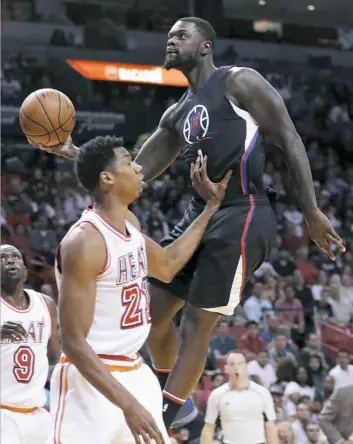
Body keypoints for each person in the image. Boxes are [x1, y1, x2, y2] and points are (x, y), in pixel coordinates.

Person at [31, 16, 345, 428]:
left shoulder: (239, 82)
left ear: (205, 46)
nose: (171, 40)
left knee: (198, 320)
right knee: (152, 315)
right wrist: (76, 153)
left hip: (245, 210)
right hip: (202, 210)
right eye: (168, 36)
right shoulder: (177, 113)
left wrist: (311, 209)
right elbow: (134, 171)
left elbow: (289, 136)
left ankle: (165, 414)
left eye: (181, 35)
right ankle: (178, 400)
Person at [50, 136, 231, 444]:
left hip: (135, 370)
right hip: (91, 380)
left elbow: (168, 264)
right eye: (128, 162)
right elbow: (73, 343)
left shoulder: (129, 224)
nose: (139, 169)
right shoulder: (84, 242)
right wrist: (128, 406)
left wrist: (211, 207)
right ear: (107, 178)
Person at [0, 244, 60, 444]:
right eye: (2, 258)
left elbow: (53, 357)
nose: (10, 260)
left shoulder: (45, 304)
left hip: (37, 414)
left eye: (16, 257)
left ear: (26, 272)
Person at [200, 352, 278, 444]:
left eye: (240, 364)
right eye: (232, 364)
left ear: (246, 367)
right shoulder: (217, 395)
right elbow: (209, 427)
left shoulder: (262, 392)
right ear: (226, 369)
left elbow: (270, 426)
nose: (236, 368)